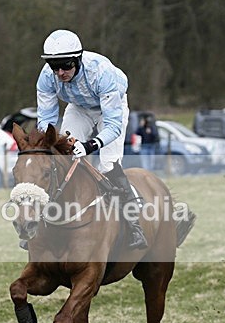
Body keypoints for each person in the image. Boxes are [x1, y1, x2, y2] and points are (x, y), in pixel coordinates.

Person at [36, 29, 147, 249]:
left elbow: (113, 125)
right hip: (78, 108)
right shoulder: (46, 77)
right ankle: (42, 222)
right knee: (63, 158)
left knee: (108, 164)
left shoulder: (102, 72)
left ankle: (134, 224)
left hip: (110, 109)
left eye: (66, 65)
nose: (60, 72)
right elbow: (46, 121)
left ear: (78, 59)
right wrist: (48, 144)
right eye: (54, 66)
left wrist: (89, 145)